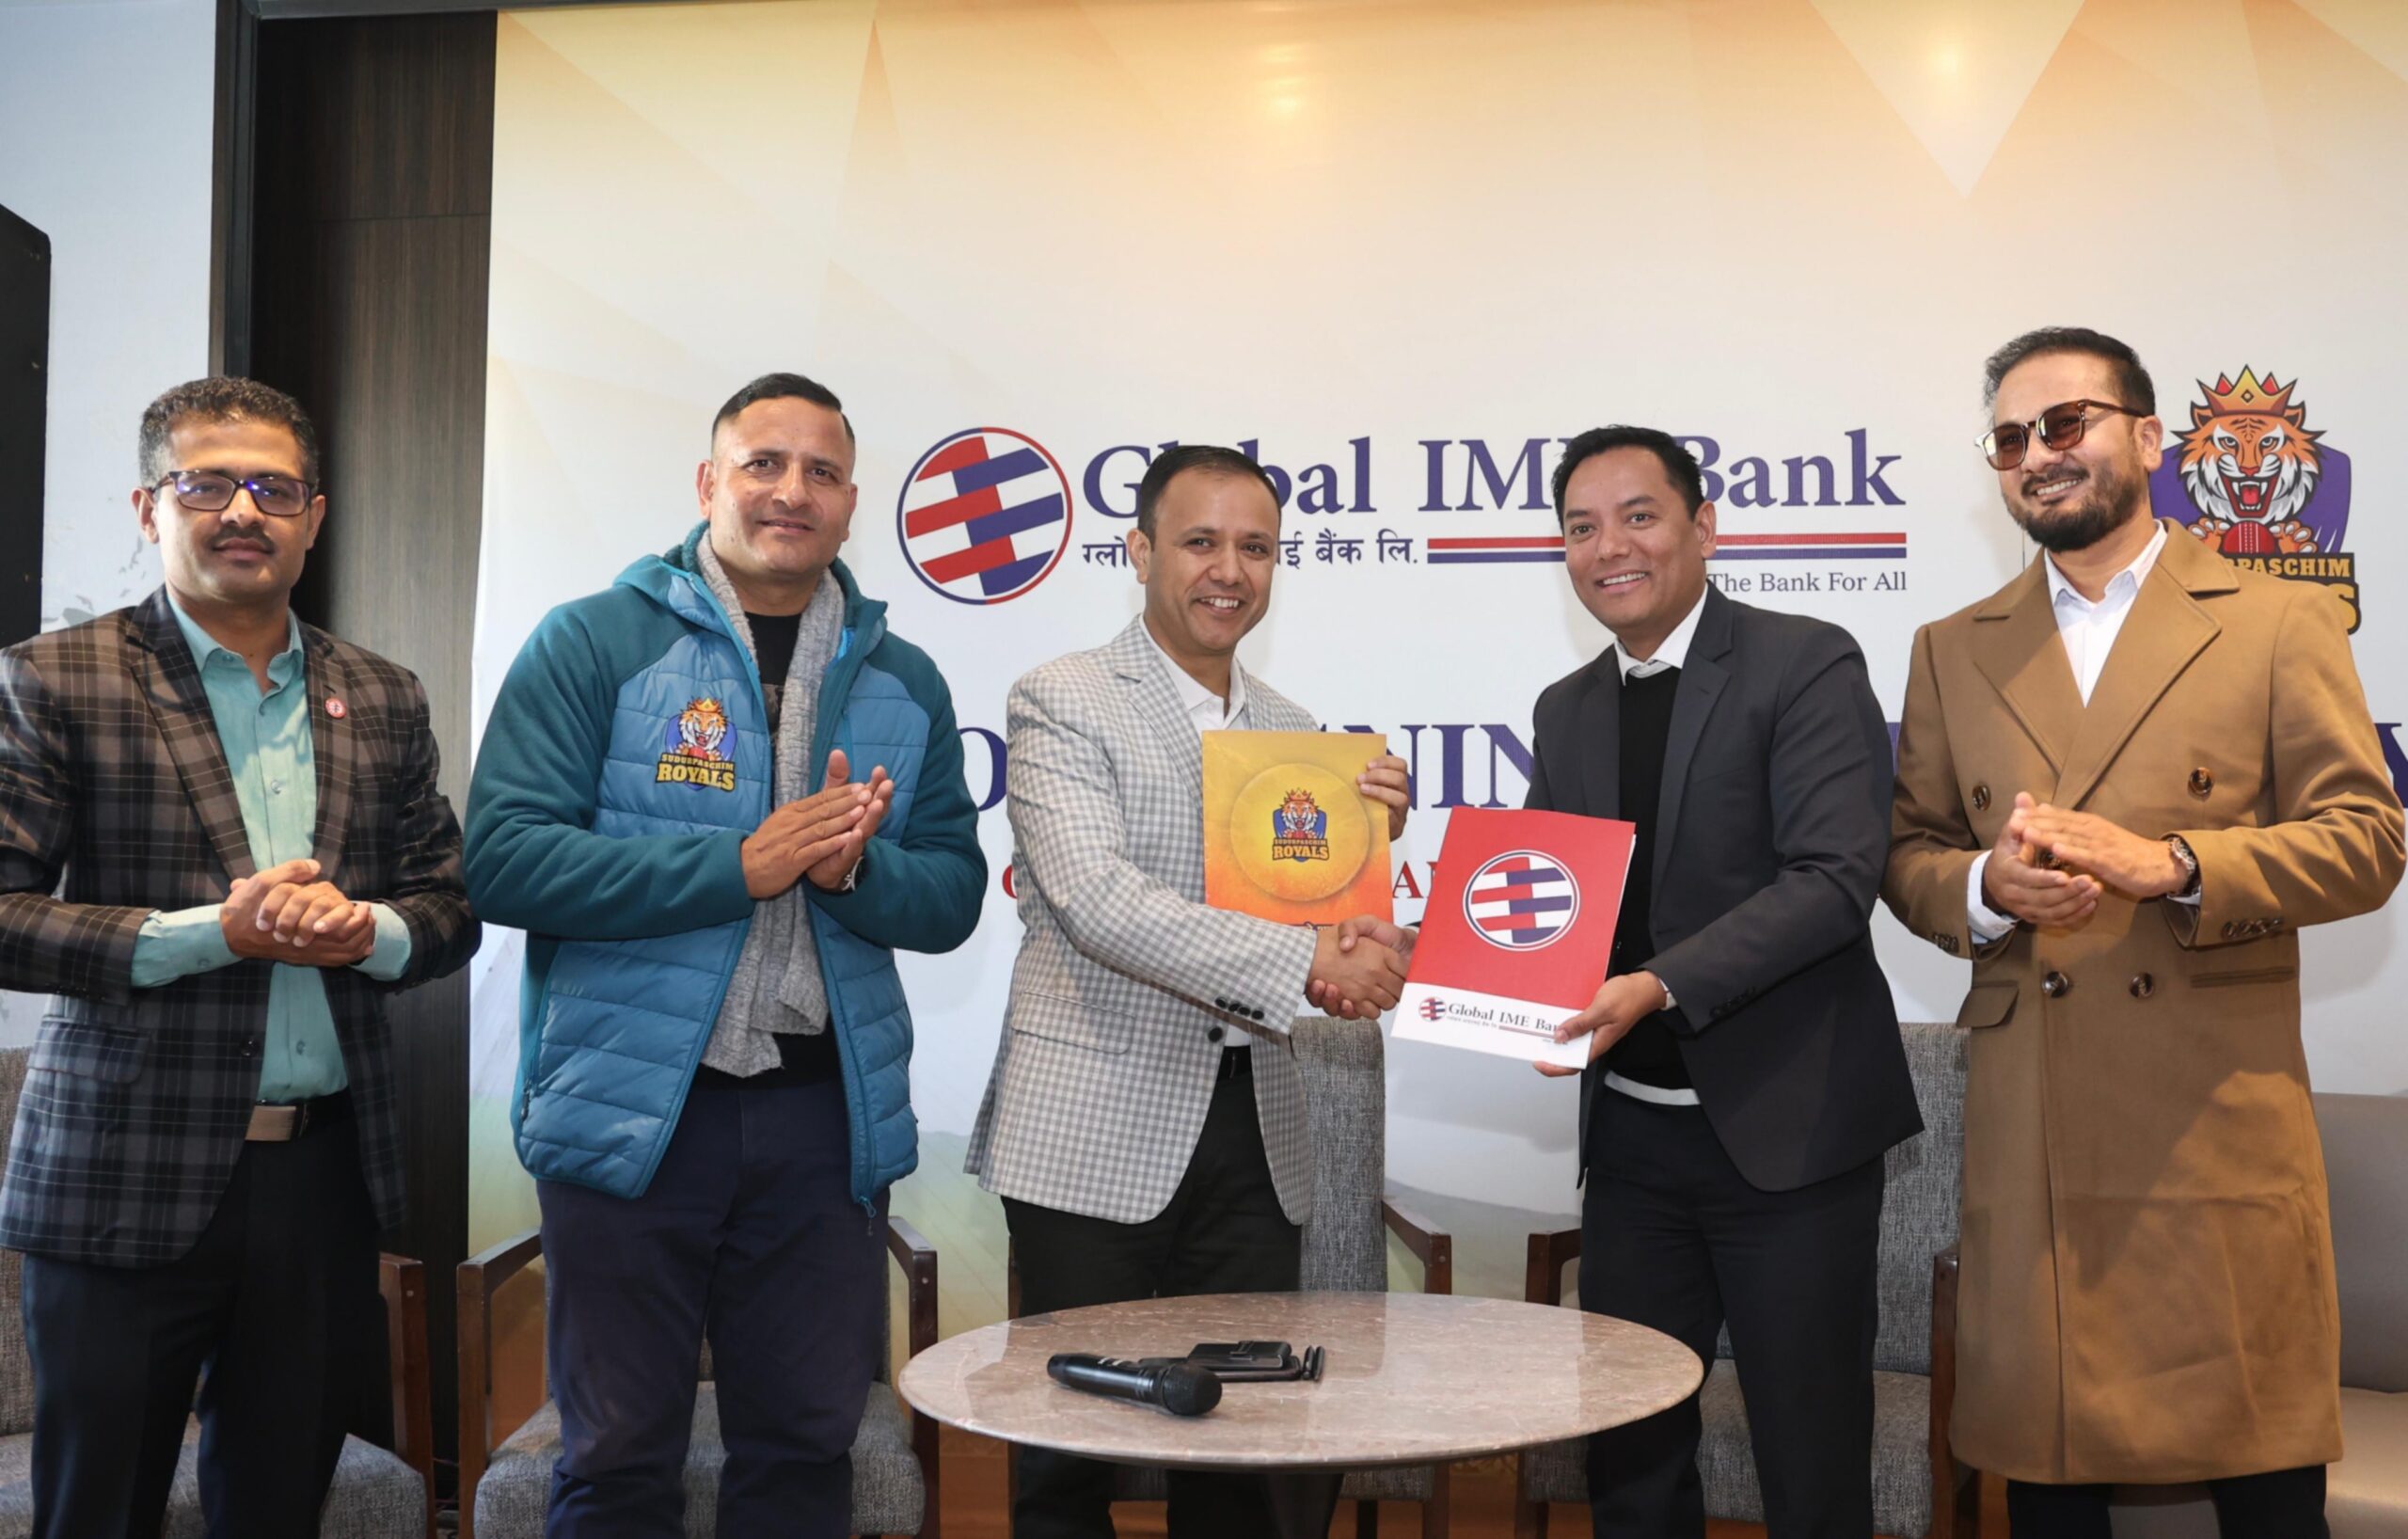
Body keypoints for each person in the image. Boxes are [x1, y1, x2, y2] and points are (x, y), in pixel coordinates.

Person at [1886, 326, 2405, 1538]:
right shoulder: (1951, 648)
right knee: (2049, 1477)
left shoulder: (2276, 619)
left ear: (2148, 436)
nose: (2037, 455)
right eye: (2009, 439)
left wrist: (2173, 863)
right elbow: (1907, 856)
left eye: (2064, 423)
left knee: (2260, 1478)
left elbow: (2369, 839)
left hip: (2210, 1123)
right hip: (2032, 1125)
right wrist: (1985, 889)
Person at [464, 372, 984, 1538]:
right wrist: (732, 867)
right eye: (763, 463)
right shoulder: (592, 640)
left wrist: (854, 874)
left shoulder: (903, 678)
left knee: (804, 1454)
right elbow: (501, 859)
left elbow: (953, 894)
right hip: (629, 1112)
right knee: (615, 1460)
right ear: (709, 482)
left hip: (822, 1124)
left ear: (852, 505)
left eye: (822, 471)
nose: (791, 490)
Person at [0, 376, 479, 1538]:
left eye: (274, 487)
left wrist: (370, 931)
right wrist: (213, 934)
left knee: (276, 1510)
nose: (244, 511)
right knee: (96, 1511)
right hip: (122, 1173)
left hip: (322, 1182)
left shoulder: (381, 693)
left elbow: (448, 906)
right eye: (206, 484)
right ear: (148, 507)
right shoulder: (56, 677)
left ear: (315, 515)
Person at [965, 444, 1412, 1538]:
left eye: (1255, 547)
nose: (1229, 570)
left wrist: (1361, 873)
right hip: (1091, 1127)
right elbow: (1095, 900)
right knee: (1070, 1443)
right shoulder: (1061, 696)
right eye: (1200, 541)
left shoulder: (1298, 734)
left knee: (1238, 1443)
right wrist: (1307, 962)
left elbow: (1306, 922)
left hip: (1257, 1133)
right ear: (1140, 551)